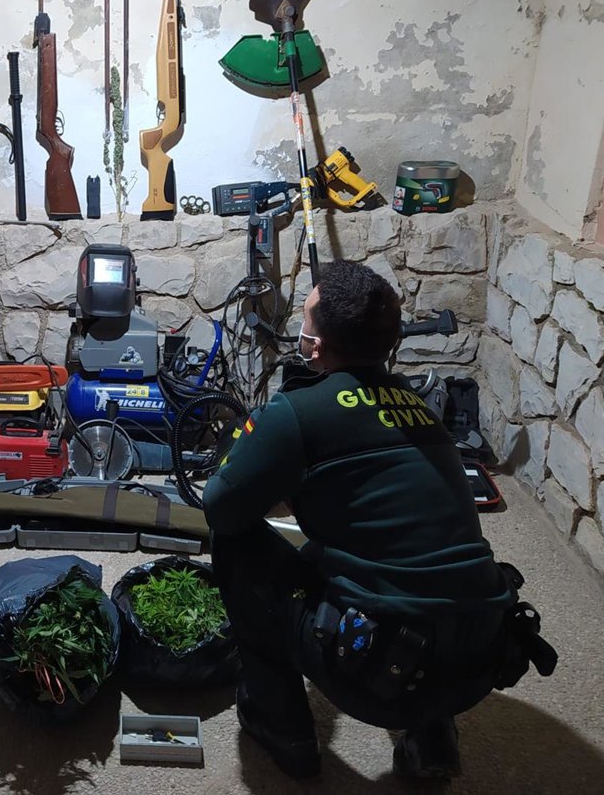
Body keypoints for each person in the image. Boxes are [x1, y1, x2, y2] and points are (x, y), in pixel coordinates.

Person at [203, 260, 526, 781]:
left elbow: (222, 506)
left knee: (235, 542)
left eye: (306, 318)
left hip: (380, 672)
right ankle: (432, 737)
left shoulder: (295, 411)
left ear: (315, 346)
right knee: (401, 560)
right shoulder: (421, 408)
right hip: (481, 654)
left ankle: (281, 726)